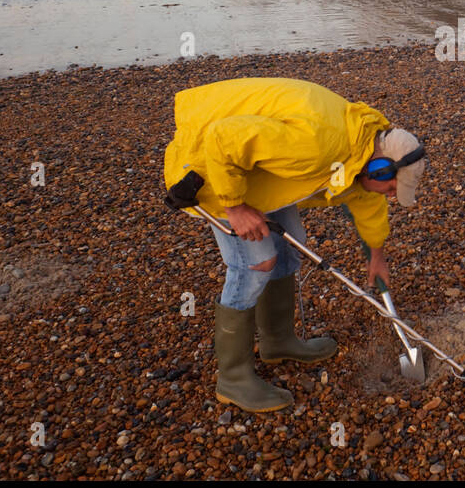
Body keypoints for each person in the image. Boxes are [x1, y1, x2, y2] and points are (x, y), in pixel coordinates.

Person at [163, 77, 426, 413]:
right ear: (379, 167)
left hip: (253, 170)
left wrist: (376, 253)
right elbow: (222, 138)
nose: (391, 196)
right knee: (256, 262)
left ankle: (278, 341)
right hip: (206, 167)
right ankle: (233, 378)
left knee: (290, 246)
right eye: (392, 188)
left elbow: (366, 201)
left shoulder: (362, 151)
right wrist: (235, 206)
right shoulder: (317, 146)